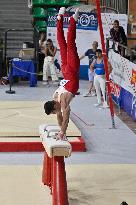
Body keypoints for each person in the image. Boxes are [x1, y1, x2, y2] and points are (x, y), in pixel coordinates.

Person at [44, 7, 80, 140]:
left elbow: (65, 121)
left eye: (54, 111)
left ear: (54, 105)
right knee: (62, 42)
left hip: (71, 69)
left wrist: (62, 133)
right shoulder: (54, 97)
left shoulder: (63, 102)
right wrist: (61, 132)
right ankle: (59, 18)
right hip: (65, 71)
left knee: (69, 43)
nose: (56, 113)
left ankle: (72, 20)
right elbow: (60, 117)